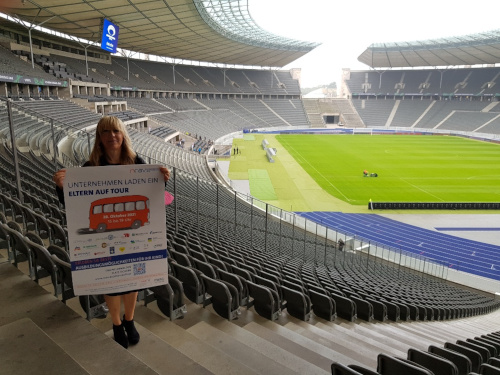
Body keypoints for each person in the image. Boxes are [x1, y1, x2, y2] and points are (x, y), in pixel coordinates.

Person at [53, 116, 171, 349]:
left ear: (122, 134)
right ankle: (117, 324)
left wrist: (163, 181)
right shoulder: (89, 168)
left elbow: (153, 196)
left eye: (115, 131)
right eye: (105, 132)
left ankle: (130, 320)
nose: (111, 136)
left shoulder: (137, 161)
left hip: (132, 238)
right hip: (104, 242)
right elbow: (72, 206)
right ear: (99, 137)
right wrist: (60, 187)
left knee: (133, 280)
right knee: (111, 284)